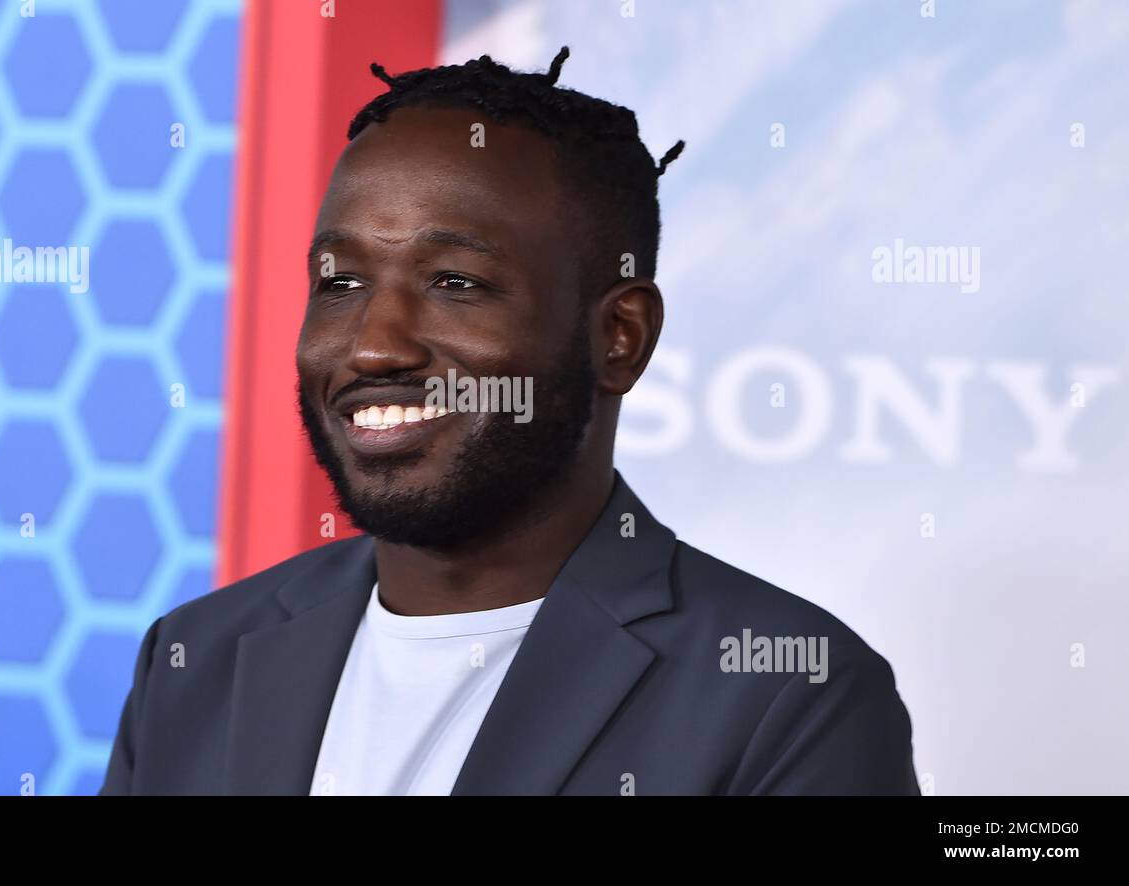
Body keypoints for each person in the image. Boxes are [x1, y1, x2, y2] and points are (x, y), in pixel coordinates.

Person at [100, 47, 919, 796]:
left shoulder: (787, 694)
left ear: (618, 338)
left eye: (455, 283)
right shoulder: (195, 659)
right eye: (341, 283)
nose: (376, 349)